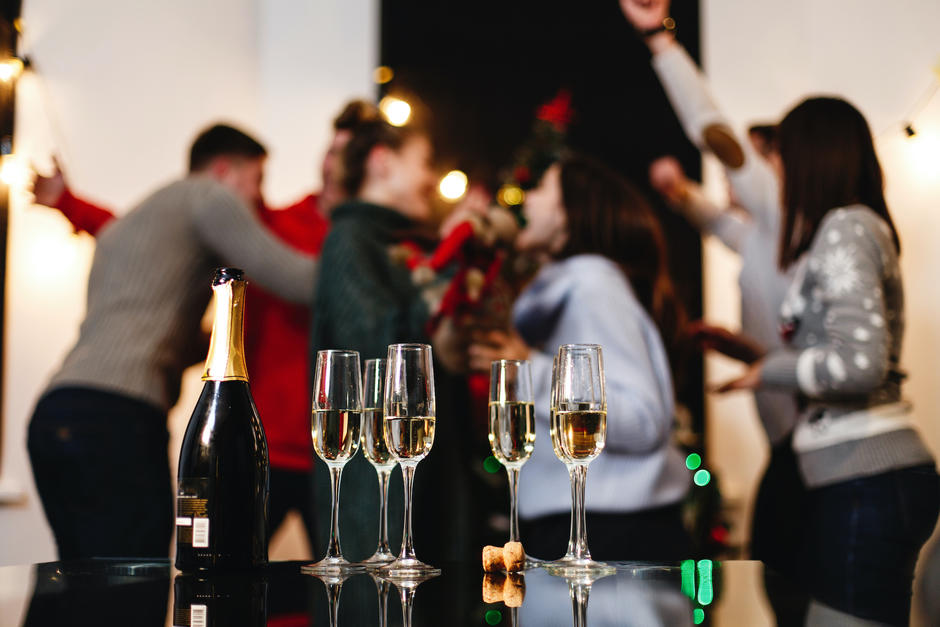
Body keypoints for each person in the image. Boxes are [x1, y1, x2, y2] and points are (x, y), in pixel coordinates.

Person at [30, 101, 381, 552]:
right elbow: (295, 278)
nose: (256, 198)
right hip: (119, 417)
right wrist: (387, 274)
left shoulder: (138, 221)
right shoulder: (214, 199)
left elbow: (148, 285)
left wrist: (70, 204)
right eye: (256, 180)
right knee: (138, 570)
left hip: (57, 411)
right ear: (222, 171)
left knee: (82, 574)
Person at [716, 97, 939, 625]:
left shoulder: (846, 227)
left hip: (867, 475)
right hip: (861, 476)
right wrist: (760, 361)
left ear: (808, 157)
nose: (775, 170)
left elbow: (860, 363)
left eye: (780, 156)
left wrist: (771, 370)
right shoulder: (848, 227)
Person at [620, 0, 804, 573]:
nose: (729, 174)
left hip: (805, 453)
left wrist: (660, 39)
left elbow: (714, 131)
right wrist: (679, 194)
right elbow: (717, 223)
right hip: (788, 448)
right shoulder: (763, 236)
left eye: (748, 164)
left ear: (777, 168)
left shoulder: (785, 218)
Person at [469, 155, 692, 560]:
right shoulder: (558, 290)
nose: (527, 200)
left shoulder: (593, 287)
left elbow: (644, 418)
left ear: (568, 213)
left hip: (613, 532)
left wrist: (529, 371)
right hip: (586, 523)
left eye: (542, 189)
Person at [309, 115, 481, 565]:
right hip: (374, 495)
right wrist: (447, 264)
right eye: (424, 162)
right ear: (382, 161)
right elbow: (377, 352)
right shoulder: (350, 239)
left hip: (424, 480)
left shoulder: (397, 242)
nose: (430, 178)